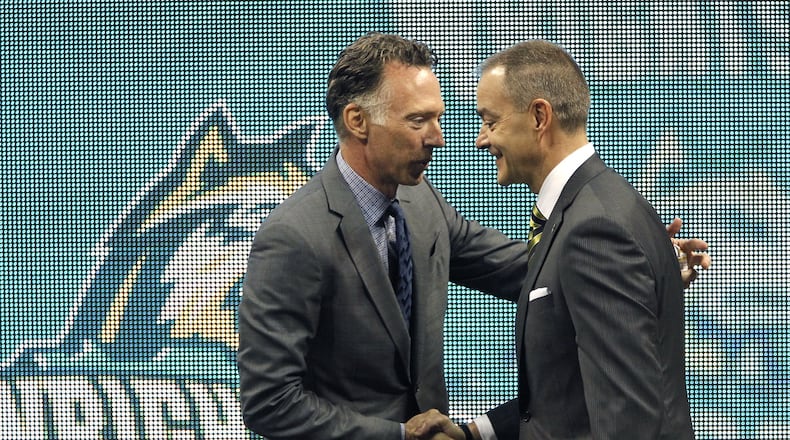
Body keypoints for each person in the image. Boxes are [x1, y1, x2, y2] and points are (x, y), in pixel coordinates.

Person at [238, 33, 709, 440]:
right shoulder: (293, 237)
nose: (438, 137)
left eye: (437, 118)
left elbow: (531, 270)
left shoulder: (421, 203)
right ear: (358, 121)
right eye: (418, 121)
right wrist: (400, 435)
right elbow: (269, 400)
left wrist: (638, 266)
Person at [422, 40, 701, 439]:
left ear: (539, 117)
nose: (481, 139)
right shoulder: (592, 210)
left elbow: (627, 419)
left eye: (491, 121)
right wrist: (475, 433)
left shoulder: (596, 231)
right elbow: (573, 390)